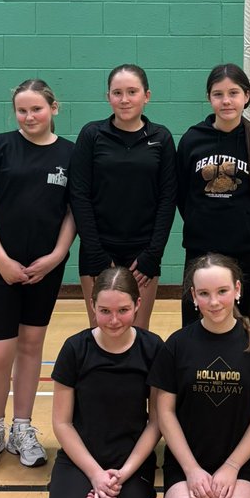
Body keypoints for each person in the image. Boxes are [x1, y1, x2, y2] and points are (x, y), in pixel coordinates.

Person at [0, 79, 76, 472]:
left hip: (44, 267)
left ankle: (22, 428)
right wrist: (0, 260)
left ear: (54, 108)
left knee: (31, 345)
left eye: (37, 109)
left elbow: (72, 212)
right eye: (22, 110)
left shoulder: (70, 154)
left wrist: (57, 255)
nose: (30, 116)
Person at [148, 254, 250, 498]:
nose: (214, 301)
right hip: (187, 464)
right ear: (193, 296)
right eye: (204, 293)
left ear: (237, 290)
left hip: (240, 466)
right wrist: (191, 470)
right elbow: (164, 413)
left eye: (222, 291)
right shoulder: (177, 345)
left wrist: (232, 467)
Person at [46, 266, 162, 498]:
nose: (114, 320)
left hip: (130, 465)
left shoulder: (152, 349)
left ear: (138, 305)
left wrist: (123, 473)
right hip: (80, 462)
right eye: (105, 310)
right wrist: (96, 475)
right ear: (92, 306)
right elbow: (62, 423)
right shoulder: (75, 349)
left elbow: (156, 422)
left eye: (123, 310)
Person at [69, 64, 176, 332]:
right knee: (101, 331)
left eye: (132, 91)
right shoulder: (92, 135)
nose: (125, 99)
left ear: (146, 96)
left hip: (143, 255)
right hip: (98, 250)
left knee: (138, 334)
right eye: (117, 92)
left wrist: (153, 254)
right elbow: (79, 195)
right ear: (108, 97)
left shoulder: (160, 137)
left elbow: (168, 198)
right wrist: (95, 252)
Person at [176, 64, 250, 327]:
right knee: (194, 325)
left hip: (245, 251)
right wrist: (203, 221)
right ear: (209, 98)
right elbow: (182, 194)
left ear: (247, 96)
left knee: (240, 327)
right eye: (218, 94)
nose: (226, 100)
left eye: (233, 93)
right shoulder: (192, 140)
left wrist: (244, 223)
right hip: (201, 249)